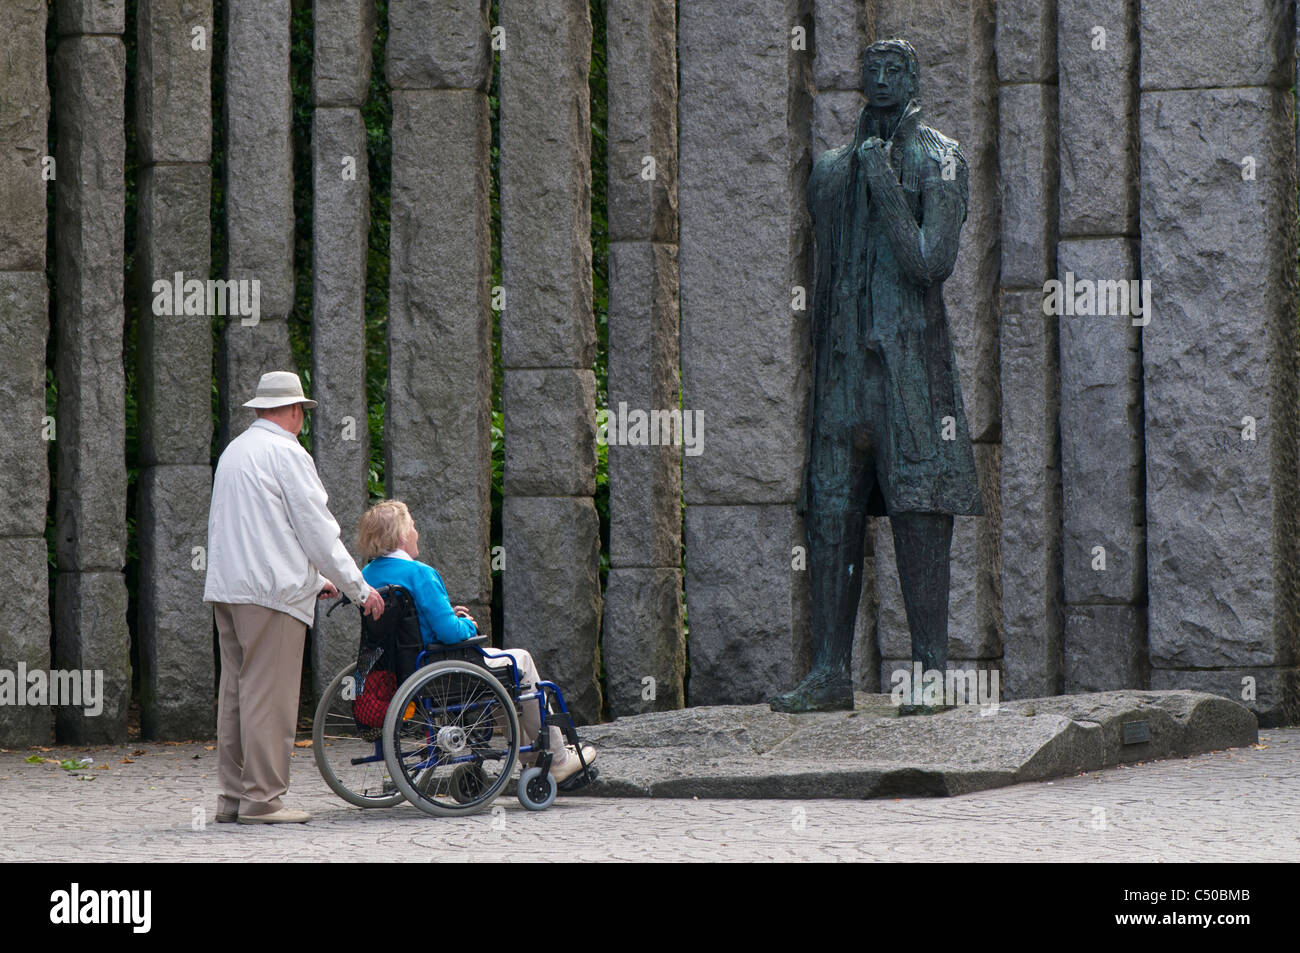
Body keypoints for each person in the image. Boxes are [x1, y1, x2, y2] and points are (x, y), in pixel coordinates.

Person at [772, 38, 982, 713]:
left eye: (895, 69)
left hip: (909, 371)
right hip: (841, 370)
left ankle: (929, 670)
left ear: (914, 75)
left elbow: (930, 261)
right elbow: (825, 275)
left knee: (920, 510)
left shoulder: (940, 157)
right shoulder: (830, 171)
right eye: (872, 71)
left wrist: (886, 186)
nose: (882, 80)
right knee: (831, 511)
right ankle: (830, 671)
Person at [204, 371, 386, 824]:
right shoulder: (287, 453)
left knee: (236, 696)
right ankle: (263, 801)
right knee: (270, 698)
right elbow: (317, 532)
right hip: (271, 596)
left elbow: (257, 530)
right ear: (292, 411)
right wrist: (358, 588)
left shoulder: (236, 451)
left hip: (230, 589)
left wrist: (311, 581)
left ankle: (232, 798)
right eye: (302, 411)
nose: (302, 418)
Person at [356, 500, 595, 785]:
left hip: (397, 669)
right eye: (414, 526)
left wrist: (447, 616)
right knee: (520, 663)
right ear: (403, 535)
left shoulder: (367, 576)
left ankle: (533, 758)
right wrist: (468, 623)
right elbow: (449, 633)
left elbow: (409, 623)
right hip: (438, 665)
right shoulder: (419, 573)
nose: (417, 532)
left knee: (502, 678)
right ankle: (557, 759)